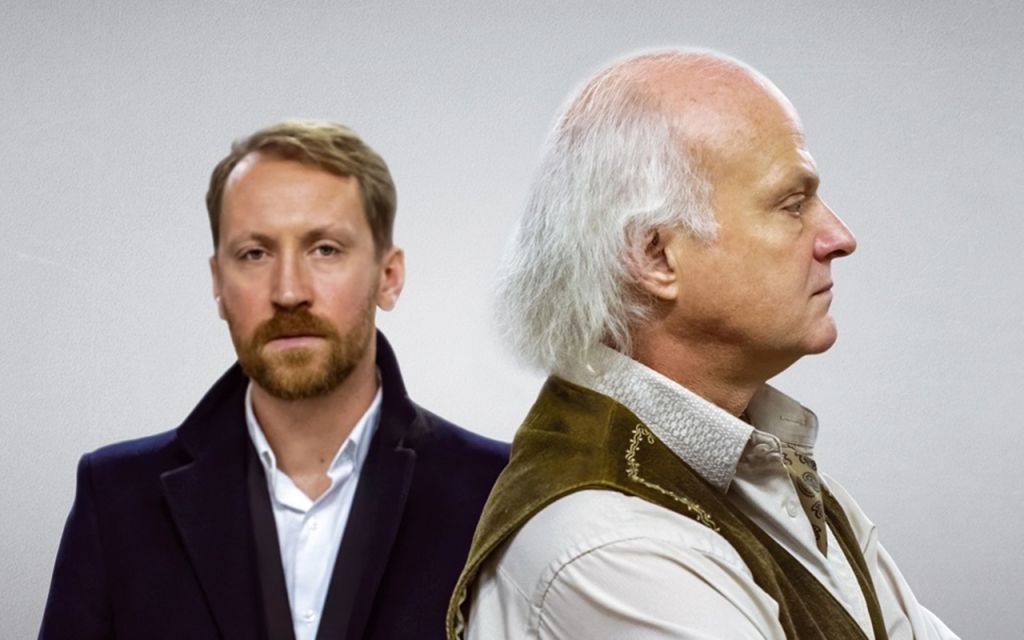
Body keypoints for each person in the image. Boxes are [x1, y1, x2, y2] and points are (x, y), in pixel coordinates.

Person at [448, 50, 959, 639]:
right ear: (656, 256)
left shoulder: (773, 475)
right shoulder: (613, 545)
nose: (839, 237)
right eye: (792, 205)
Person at [40, 120, 509, 640]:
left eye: (325, 249)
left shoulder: (497, 493)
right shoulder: (117, 501)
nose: (288, 292)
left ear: (388, 276)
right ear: (219, 284)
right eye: (254, 254)